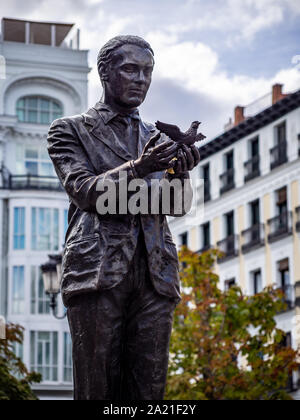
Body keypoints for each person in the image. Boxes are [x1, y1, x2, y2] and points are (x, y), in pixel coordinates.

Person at [47, 35, 200, 400]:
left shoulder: (157, 136)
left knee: (150, 391)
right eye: (130, 69)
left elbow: (176, 205)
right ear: (105, 72)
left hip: (155, 272)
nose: (141, 80)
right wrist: (139, 167)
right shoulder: (70, 130)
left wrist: (182, 172)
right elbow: (84, 192)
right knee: (97, 388)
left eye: (147, 72)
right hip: (97, 271)